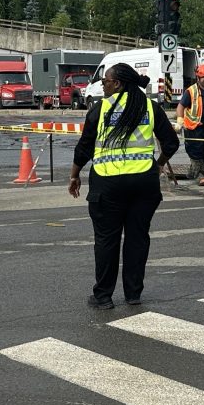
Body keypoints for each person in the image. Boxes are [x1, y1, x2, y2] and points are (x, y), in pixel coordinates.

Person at [69, 63, 179, 309]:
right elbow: (171, 143)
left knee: (107, 240)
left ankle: (103, 296)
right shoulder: (150, 107)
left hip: (108, 185)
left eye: (106, 81)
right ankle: (133, 294)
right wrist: (158, 165)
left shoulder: (101, 108)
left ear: (117, 83)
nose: (103, 84)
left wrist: (74, 176)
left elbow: (84, 147)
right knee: (137, 239)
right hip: (143, 184)